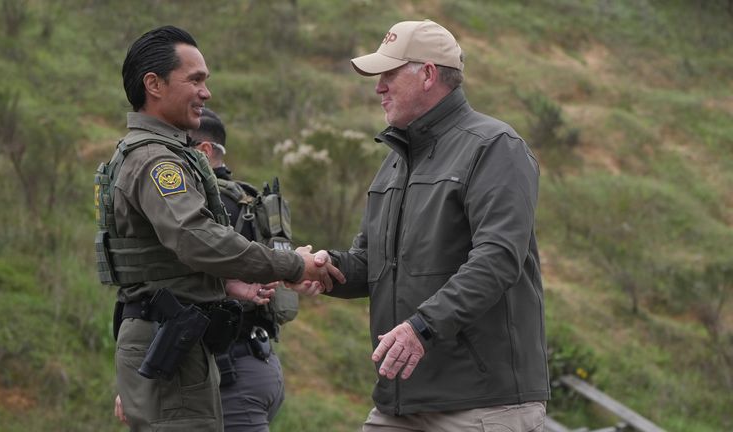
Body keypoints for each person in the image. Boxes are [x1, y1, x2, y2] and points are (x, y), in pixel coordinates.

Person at [96, 25, 342, 431]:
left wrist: (229, 285)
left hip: (177, 337)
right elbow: (197, 239)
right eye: (195, 80)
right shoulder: (159, 163)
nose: (206, 92)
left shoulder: (155, 155)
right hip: (169, 339)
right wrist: (292, 266)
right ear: (153, 85)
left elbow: (167, 256)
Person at [313, 19, 550, 431]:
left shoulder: (495, 147)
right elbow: (371, 266)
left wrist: (419, 329)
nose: (378, 87)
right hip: (400, 401)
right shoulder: (395, 161)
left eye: (389, 74)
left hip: (483, 405)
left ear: (427, 74)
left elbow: (497, 260)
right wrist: (323, 268)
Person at [192, 108, 290, 431]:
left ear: (204, 151)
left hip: (232, 376)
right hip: (257, 360)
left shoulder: (203, 209)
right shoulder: (247, 200)